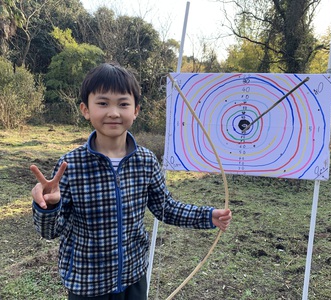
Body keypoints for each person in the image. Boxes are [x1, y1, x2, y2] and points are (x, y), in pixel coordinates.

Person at [30, 63, 232, 300]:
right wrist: (49, 206)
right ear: (85, 109)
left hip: (134, 278)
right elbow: (50, 231)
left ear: (135, 110)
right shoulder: (70, 165)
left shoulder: (145, 160)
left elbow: (165, 207)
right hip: (86, 284)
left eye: (123, 104)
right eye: (103, 103)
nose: (114, 112)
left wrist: (207, 216)